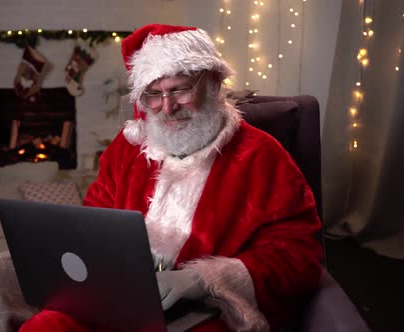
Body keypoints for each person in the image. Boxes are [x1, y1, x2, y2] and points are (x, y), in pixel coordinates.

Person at [19, 24, 323, 332]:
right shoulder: (126, 149)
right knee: (45, 326)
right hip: (119, 297)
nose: (167, 107)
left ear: (214, 83)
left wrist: (202, 280)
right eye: (154, 93)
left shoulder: (261, 155)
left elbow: (300, 255)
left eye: (180, 89)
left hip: (205, 310)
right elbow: (92, 222)